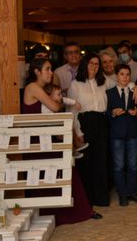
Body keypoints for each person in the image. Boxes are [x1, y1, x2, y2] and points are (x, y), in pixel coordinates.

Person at [22, 58, 100, 223]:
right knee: (46, 177)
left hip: (48, 137)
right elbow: (55, 107)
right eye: (47, 69)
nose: (51, 72)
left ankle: (75, 211)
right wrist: (62, 101)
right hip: (38, 140)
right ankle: (56, 214)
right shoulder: (33, 87)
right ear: (37, 72)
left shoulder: (44, 88)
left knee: (66, 172)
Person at [68, 53, 111, 207]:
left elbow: (121, 83)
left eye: (97, 64)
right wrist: (77, 133)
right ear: (85, 65)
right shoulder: (76, 84)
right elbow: (72, 111)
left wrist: (135, 88)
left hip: (102, 122)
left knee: (101, 160)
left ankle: (101, 198)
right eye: (91, 63)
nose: (94, 66)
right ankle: (88, 200)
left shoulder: (104, 81)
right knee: (86, 162)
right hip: (84, 122)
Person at [106, 64, 137, 206]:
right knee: (118, 166)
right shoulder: (109, 93)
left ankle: (132, 192)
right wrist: (112, 112)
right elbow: (105, 113)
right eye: (122, 74)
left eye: (127, 74)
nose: (125, 77)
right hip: (117, 134)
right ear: (117, 76)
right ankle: (122, 194)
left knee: (132, 165)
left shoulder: (134, 91)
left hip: (132, 133)